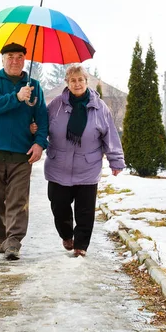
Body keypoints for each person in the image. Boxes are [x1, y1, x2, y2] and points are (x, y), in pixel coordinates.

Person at [44, 64, 125, 257]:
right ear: (67, 83)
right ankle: (66, 235)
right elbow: (41, 126)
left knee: (85, 211)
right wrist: (33, 131)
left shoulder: (99, 108)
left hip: (87, 167)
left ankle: (81, 246)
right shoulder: (56, 105)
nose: (77, 83)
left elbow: (110, 136)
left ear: (87, 82)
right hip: (58, 166)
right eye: (73, 80)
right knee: (59, 207)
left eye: (81, 80)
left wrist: (116, 160)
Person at [0, 42, 48, 261]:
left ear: (25, 60)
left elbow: (42, 119)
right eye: (10, 56)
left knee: (18, 200)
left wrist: (39, 143)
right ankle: (2, 235)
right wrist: (16, 97)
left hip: (21, 154)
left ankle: (14, 241)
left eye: (19, 57)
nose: (15, 61)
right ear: (2, 59)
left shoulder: (34, 86)